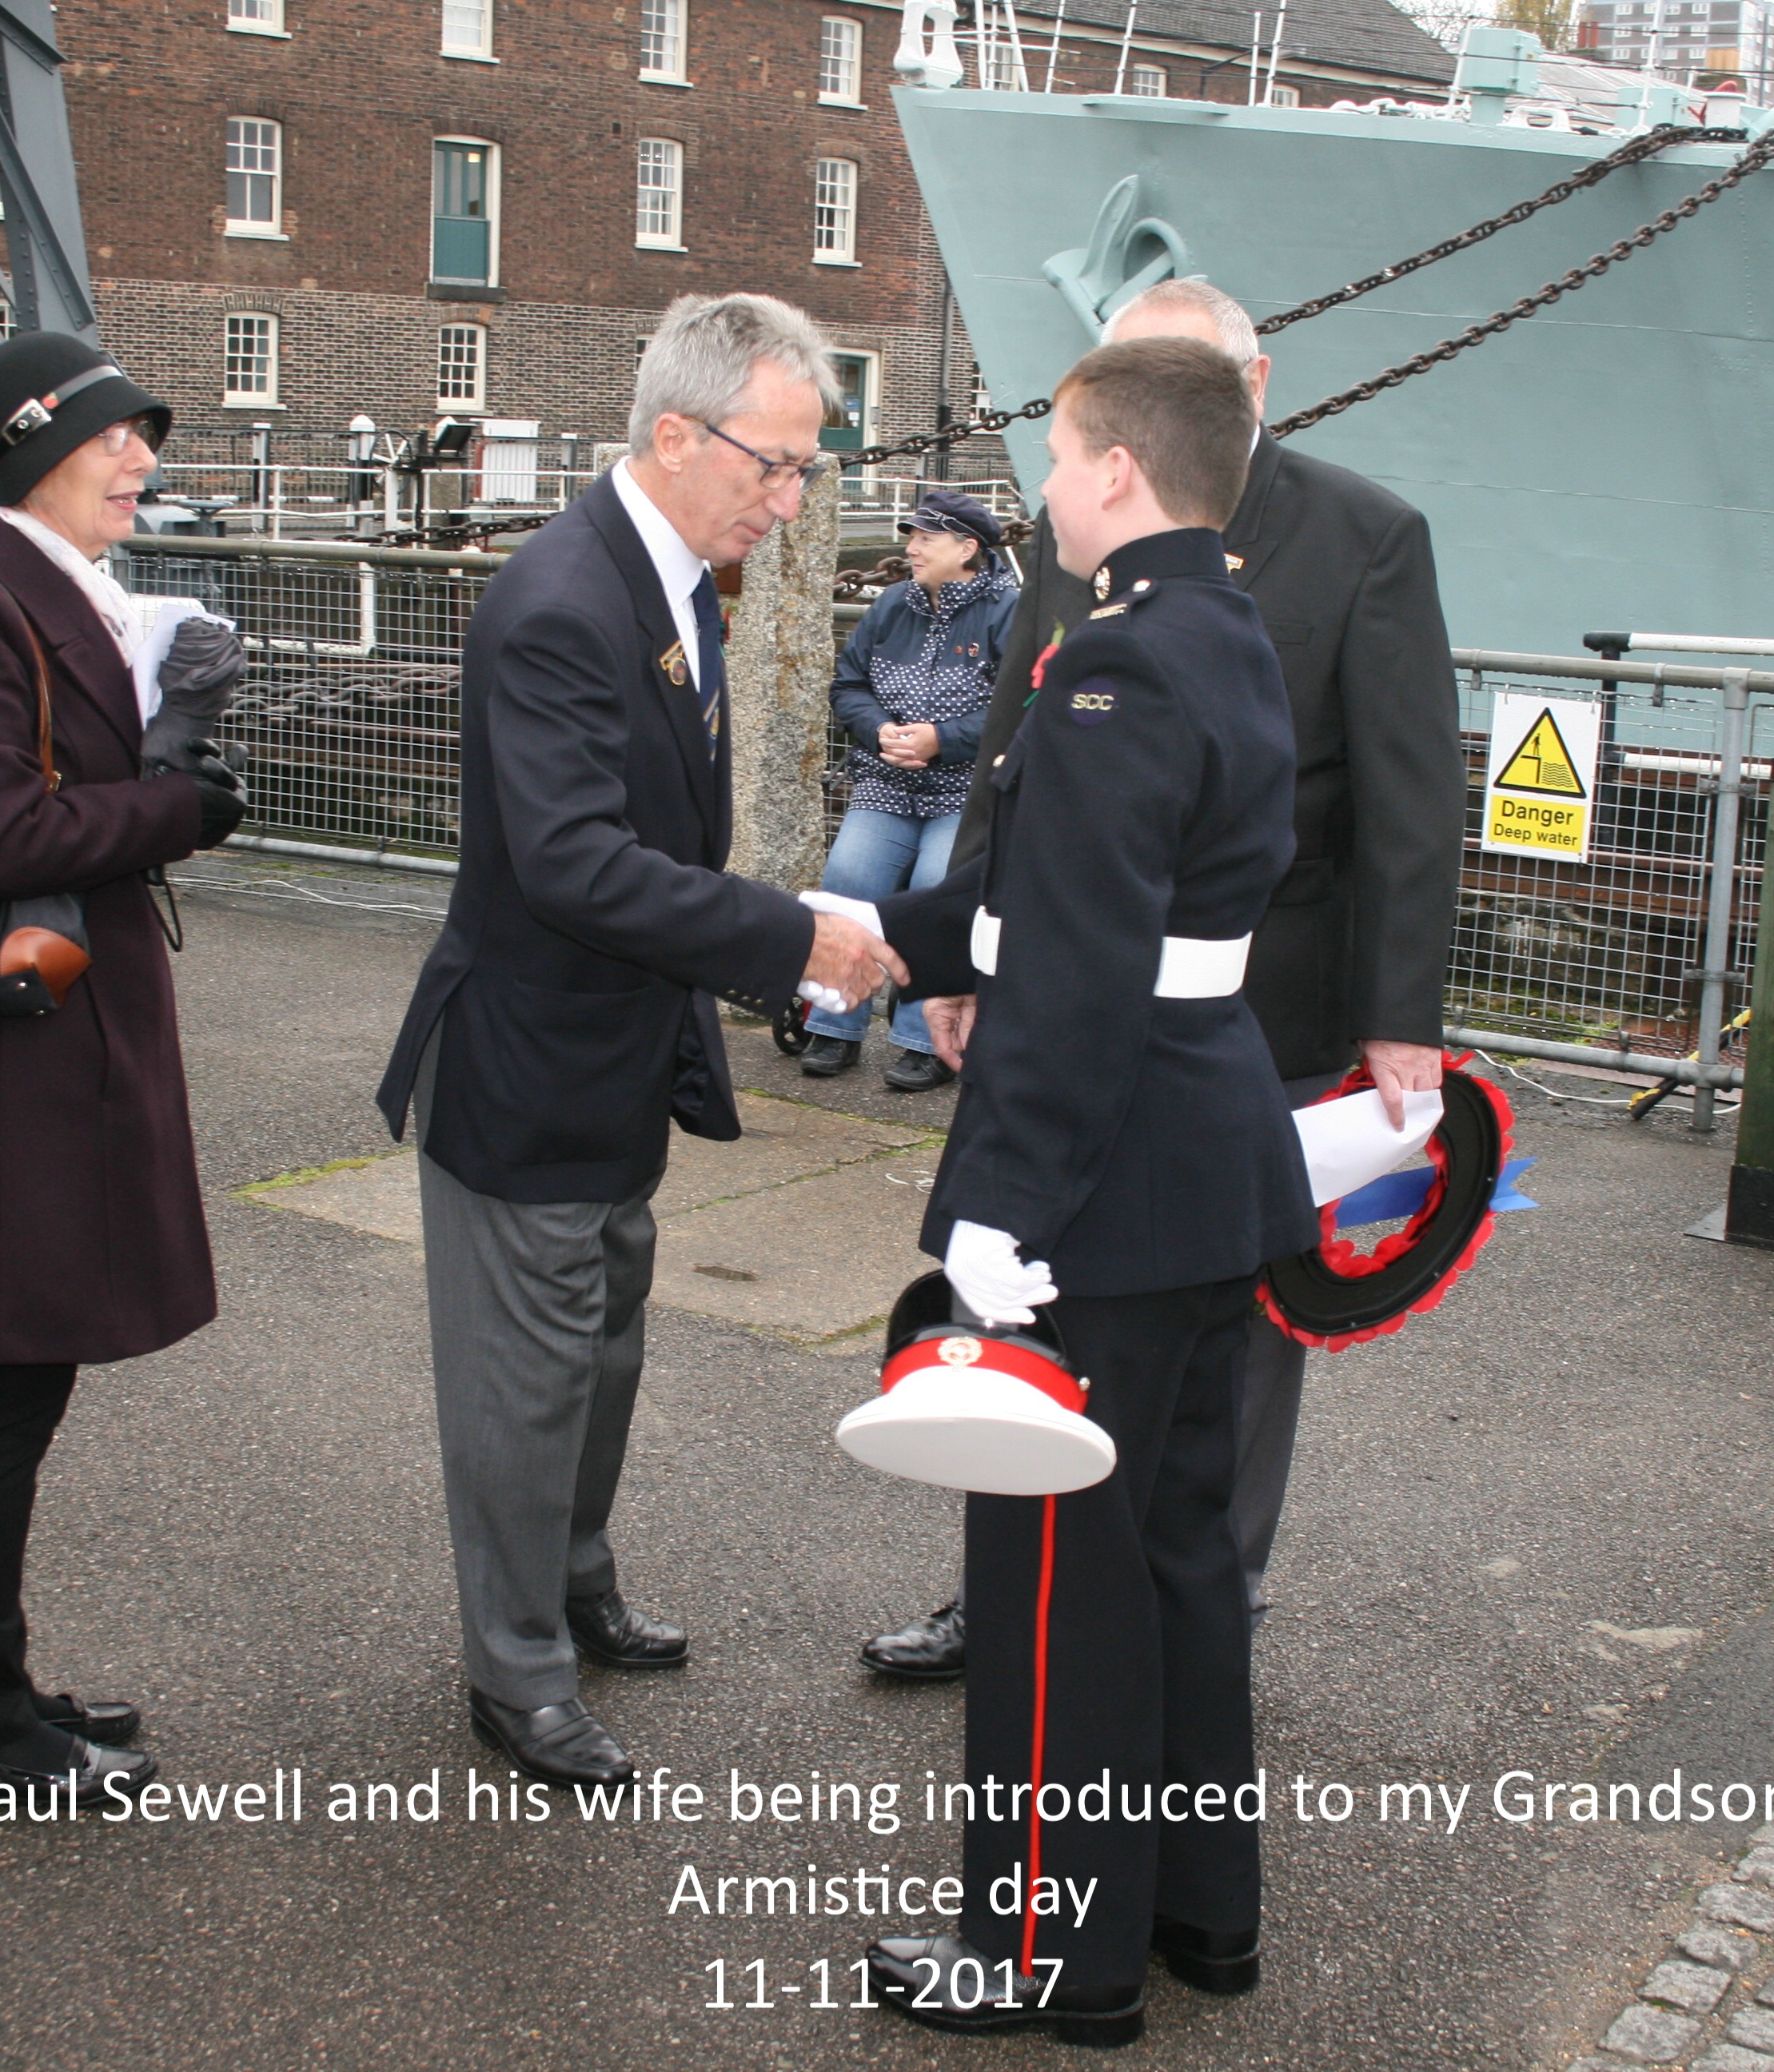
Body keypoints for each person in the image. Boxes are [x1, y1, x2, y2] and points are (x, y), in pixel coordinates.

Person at [860, 276, 1465, 1680]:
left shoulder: (1362, 536)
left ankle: (1209, 1603)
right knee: (1037, 1321)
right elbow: (1019, 748)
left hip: (1261, 1008)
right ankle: (1000, 1591)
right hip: (1064, 988)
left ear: (1250, 383)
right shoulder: (1093, 539)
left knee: (1227, 1347)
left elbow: (1408, 794)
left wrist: (1397, 1022)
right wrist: (960, 963)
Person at [842, 336, 1316, 2045]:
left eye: (1056, 455)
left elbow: (1079, 961)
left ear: (1115, 468)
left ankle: (1047, 1954)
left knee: (1057, 1580)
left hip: (1104, 1182)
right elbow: (1069, 906)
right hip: (1209, 1157)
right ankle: (1199, 1916)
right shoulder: (1224, 630)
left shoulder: (1115, 670)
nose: (1044, 488)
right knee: (1181, 1555)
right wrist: (870, 935)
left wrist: (1004, 1209)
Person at [369, 293, 904, 1787]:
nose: (790, 500)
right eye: (773, 464)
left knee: (597, 1355)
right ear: (674, 435)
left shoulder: (666, 578)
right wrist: (789, 934)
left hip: (617, 1053)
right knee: (523, 1378)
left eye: (806, 470)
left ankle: (574, 1577)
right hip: (531, 1064)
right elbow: (571, 862)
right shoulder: (558, 600)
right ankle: (514, 1668)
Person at [0, 333, 248, 1799]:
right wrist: (178, 802)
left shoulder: (52, 591)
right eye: (116, 440)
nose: (142, 460)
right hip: (15, 1050)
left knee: (17, 1388)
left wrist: (170, 737)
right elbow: (1, 837)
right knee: (5, 1389)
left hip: (66, 1027)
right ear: (34, 454)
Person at [799, 486, 1019, 1092]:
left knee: (936, 890)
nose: (911, 548)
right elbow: (849, 685)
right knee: (848, 880)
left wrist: (941, 740)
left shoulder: (1008, 610)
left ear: (967, 548)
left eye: (927, 537)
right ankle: (834, 1023)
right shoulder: (892, 605)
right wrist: (881, 732)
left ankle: (923, 1039)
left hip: (966, 791)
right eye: (911, 536)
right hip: (887, 782)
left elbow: (1018, 706)